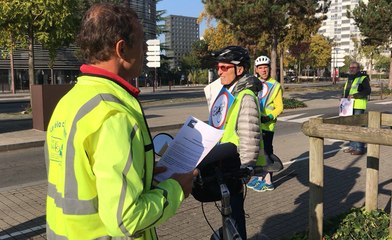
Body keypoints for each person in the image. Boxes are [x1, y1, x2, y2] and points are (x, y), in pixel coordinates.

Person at [44, 3, 197, 239]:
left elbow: (81, 176)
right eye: (142, 41)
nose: (145, 49)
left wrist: (141, 173)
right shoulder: (114, 114)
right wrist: (176, 189)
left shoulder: (70, 101)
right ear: (122, 49)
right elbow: (126, 220)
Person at [205, 46, 265, 239]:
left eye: (224, 68)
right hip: (222, 161)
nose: (219, 71)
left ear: (239, 70)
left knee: (236, 215)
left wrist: (247, 167)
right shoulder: (227, 92)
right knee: (229, 213)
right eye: (218, 67)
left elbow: (249, 133)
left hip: (235, 165)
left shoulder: (245, 96)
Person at [247, 55, 284, 192]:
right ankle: (260, 177)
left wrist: (269, 116)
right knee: (258, 153)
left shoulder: (275, 85)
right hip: (254, 122)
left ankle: (268, 181)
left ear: (269, 68)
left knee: (267, 152)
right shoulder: (253, 83)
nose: (263, 70)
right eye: (260, 68)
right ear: (256, 69)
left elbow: (280, 107)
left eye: (266, 67)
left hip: (267, 125)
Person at [342, 61, 371, 155]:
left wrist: (355, 95)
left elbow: (367, 91)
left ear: (358, 69)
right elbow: (347, 91)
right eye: (350, 68)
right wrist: (342, 98)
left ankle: (359, 148)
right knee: (350, 127)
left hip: (358, 105)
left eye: (353, 68)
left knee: (358, 127)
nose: (351, 69)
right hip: (348, 106)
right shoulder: (349, 79)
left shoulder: (363, 78)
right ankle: (352, 146)